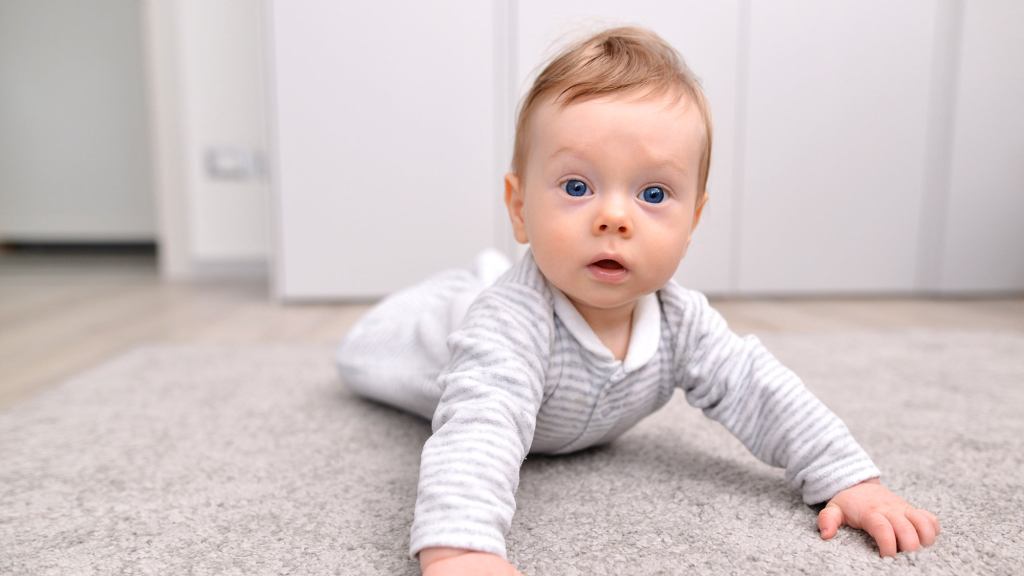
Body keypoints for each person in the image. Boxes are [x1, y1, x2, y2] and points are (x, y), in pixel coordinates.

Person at [336, 26, 940, 576]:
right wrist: (463, 548)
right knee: (366, 351)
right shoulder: (509, 326)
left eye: (653, 193)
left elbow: (761, 390)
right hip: (435, 335)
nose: (615, 217)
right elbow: (477, 429)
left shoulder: (683, 322)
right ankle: (467, 285)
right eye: (578, 186)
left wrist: (851, 478)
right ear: (520, 208)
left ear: (693, 219)